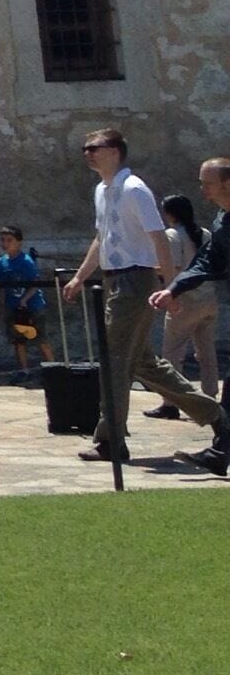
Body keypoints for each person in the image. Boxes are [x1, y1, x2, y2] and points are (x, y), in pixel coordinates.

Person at [61, 128, 226, 466]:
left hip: (135, 281)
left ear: (116, 151)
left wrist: (170, 285)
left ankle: (110, 441)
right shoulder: (102, 191)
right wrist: (80, 276)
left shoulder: (134, 190)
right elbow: (101, 238)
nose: (88, 153)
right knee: (143, 364)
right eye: (85, 148)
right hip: (114, 280)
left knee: (115, 361)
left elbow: (159, 238)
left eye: (95, 147)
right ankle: (216, 415)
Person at [147, 156, 230, 476]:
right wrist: (174, 289)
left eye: (207, 182)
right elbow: (207, 262)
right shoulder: (222, 221)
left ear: (227, 183)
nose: (202, 188)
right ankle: (220, 453)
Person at [147, 192, 220, 420]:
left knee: (172, 353)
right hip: (208, 299)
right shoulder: (206, 233)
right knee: (207, 352)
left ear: (169, 214)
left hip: (185, 300)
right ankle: (211, 398)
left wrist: (152, 270)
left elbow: (174, 267)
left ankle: (171, 402)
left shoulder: (172, 235)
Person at [0, 226, 50, 378]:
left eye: (10, 240)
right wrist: (2, 305)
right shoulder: (1, 263)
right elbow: (1, 286)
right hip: (13, 306)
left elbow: (35, 283)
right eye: (3, 240)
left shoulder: (26, 262)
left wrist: (25, 299)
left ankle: (53, 368)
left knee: (40, 338)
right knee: (18, 340)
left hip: (32, 306)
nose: (5, 243)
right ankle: (24, 370)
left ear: (19, 242)